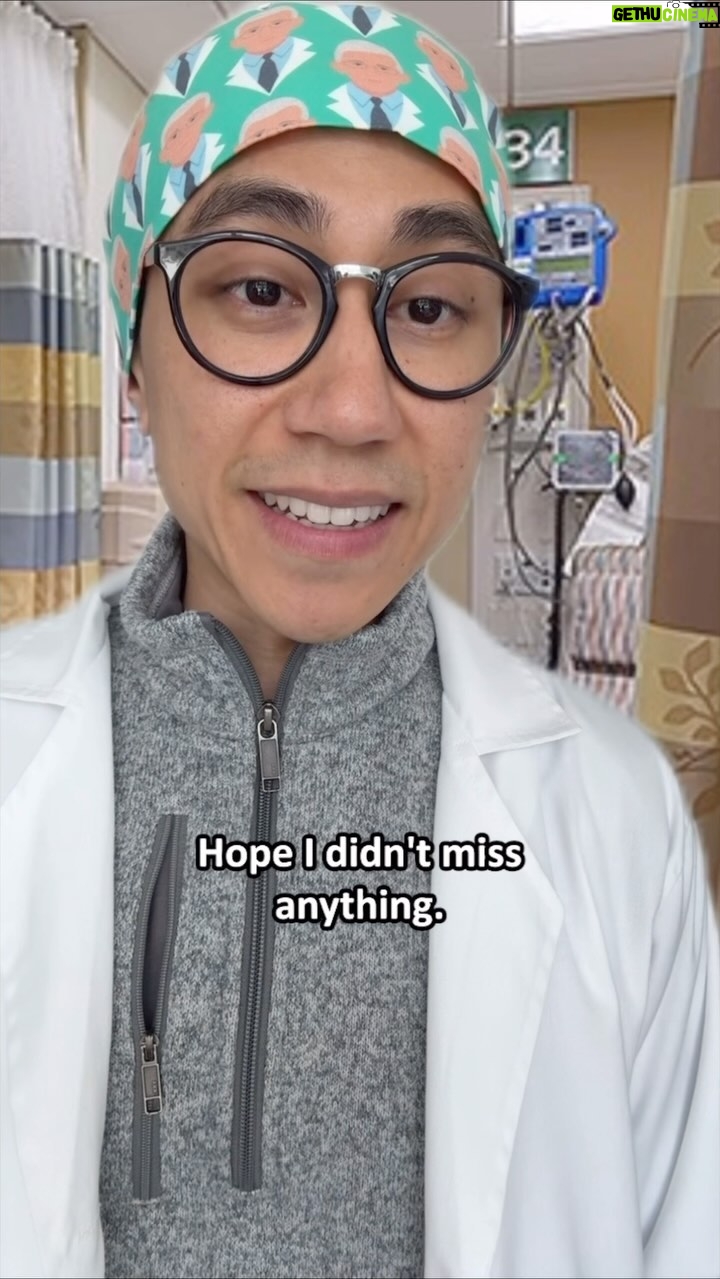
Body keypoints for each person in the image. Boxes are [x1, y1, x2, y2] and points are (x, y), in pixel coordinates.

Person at [0, 3, 718, 1278]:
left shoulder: (617, 827)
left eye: (431, 306)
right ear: (135, 348)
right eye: (260, 291)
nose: (350, 408)